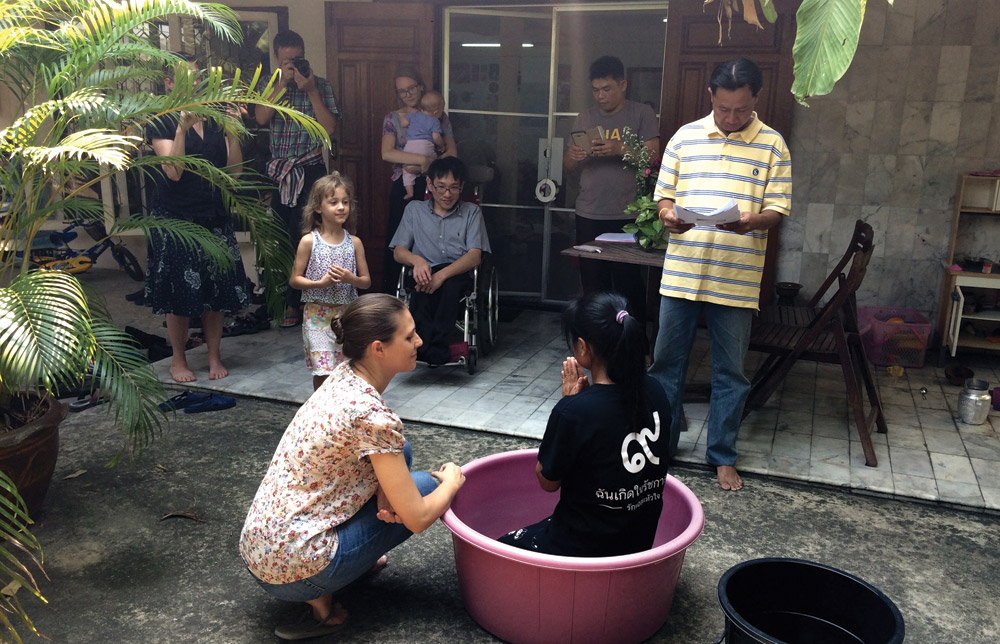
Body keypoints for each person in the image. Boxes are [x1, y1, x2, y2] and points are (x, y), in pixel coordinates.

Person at [239, 293, 466, 641]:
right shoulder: (371, 416)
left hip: (263, 549)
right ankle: (321, 602)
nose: (419, 342)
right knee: (426, 488)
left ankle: (353, 560)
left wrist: (382, 492)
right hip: (295, 573)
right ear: (378, 348)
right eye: (409, 337)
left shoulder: (344, 375)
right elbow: (419, 518)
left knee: (400, 451)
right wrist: (451, 482)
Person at [649, 57, 792, 492]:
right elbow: (663, 200)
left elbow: (777, 212)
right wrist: (669, 216)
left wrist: (751, 220)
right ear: (711, 96)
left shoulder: (773, 145)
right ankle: (662, 449)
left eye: (742, 111)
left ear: (755, 100)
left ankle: (723, 455)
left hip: (737, 276)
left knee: (731, 371)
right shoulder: (684, 137)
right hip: (683, 272)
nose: (732, 118)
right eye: (725, 108)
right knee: (665, 365)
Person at [497, 292, 673, 557]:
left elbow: (547, 481)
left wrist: (567, 403)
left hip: (581, 549)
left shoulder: (575, 412)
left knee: (502, 545)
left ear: (582, 347)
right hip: (637, 545)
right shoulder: (657, 391)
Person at [145, 54, 249, 383]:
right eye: (186, 78)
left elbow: (235, 171)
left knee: (216, 290)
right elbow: (173, 172)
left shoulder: (216, 119)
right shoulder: (160, 120)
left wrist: (232, 132)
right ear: (170, 83)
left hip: (213, 214)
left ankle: (214, 354)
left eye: (198, 77)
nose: (195, 84)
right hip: (176, 219)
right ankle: (178, 359)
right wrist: (181, 128)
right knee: (178, 295)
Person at [563, 55, 659, 321]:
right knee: (593, 287)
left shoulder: (641, 113)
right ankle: (597, 347)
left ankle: (637, 347)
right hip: (589, 212)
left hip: (629, 215)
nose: (600, 96)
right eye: (595, 90)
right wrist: (573, 156)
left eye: (607, 89)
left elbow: (652, 159)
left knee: (629, 284)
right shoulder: (585, 117)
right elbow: (568, 167)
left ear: (623, 84)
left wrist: (619, 149)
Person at [254, 30, 339, 329]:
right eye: (288, 60)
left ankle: (303, 302)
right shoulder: (269, 85)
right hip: (281, 172)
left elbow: (329, 130)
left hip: (311, 170)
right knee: (280, 238)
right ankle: (283, 299)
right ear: (277, 57)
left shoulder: (320, 85)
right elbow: (261, 117)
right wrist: (282, 85)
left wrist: (311, 90)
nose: (293, 65)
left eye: (298, 58)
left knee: (308, 237)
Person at [389, 157, 489, 366]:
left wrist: (441, 276)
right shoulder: (414, 210)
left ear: (461, 187)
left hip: (455, 272)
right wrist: (417, 261)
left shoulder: (471, 212)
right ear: (429, 185)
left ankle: (432, 349)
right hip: (423, 270)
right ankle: (427, 347)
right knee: (421, 288)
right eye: (441, 187)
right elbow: (398, 251)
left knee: (449, 287)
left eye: (454, 188)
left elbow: (474, 255)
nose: (447, 194)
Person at [380, 66, 458, 294]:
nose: (408, 94)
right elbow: (387, 153)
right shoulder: (393, 118)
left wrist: (428, 165)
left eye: (411, 88)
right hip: (404, 184)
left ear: (420, 86)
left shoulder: (438, 116)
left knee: (431, 239)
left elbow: (452, 152)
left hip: (435, 184)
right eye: (402, 91)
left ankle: (428, 292)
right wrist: (422, 160)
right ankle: (393, 297)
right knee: (399, 238)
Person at [290, 172, 371, 390]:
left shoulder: (354, 242)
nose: (341, 207)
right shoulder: (309, 241)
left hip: (346, 315)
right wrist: (320, 284)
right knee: (323, 370)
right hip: (317, 315)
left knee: (347, 369)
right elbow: (295, 280)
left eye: (345, 202)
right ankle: (322, 411)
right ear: (318, 207)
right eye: (333, 202)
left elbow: (365, 282)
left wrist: (350, 278)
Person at [400, 90, 446, 200]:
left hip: (410, 146)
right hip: (425, 146)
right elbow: (436, 137)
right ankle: (423, 172)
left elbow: (403, 123)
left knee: (406, 171)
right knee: (435, 162)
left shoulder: (414, 115)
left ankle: (409, 191)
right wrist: (442, 145)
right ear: (435, 112)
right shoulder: (435, 121)